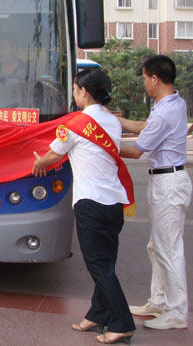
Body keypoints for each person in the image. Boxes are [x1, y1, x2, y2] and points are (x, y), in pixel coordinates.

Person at [32, 68, 136, 344]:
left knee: (99, 266)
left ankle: (122, 323)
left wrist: (39, 162)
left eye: (76, 89)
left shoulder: (75, 125)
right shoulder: (111, 121)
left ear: (84, 92)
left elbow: (53, 154)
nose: (74, 93)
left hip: (91, 203)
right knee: (106, 263)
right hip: (114, 203)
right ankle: (97, 314)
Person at [114, 55, 191, 330]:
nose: (144, 83)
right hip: (166, 181)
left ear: (155, 79)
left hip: (168, 183)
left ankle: (177, 311)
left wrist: (100, 143)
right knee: (157, 245)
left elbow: (135, 151)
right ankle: (158, 301)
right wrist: (115, 122)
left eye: (145, 78)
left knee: (168, 248)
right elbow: (145, 128)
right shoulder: (174, 103)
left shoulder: (165, 111)